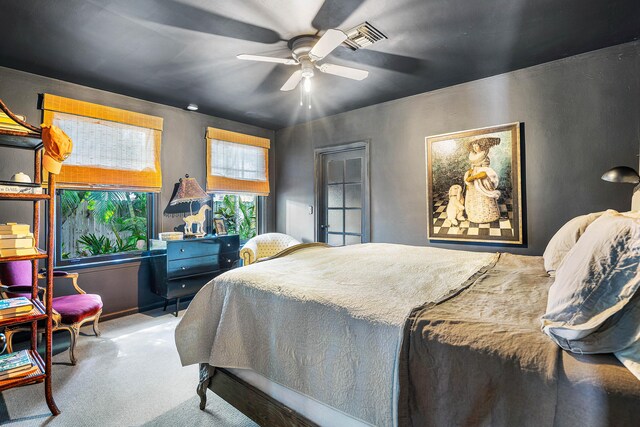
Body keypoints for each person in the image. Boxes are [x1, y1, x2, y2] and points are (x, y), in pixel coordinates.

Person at [463, 137, 501, 223]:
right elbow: (472, 168)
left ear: (482, 146)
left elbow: (484, 172)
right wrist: (469, 175)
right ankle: (474, 215)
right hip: (473, 176)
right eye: (474, 146)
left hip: (481, 178)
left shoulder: (485, 158)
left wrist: (473, 177)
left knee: (483, 195)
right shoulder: (473, 157)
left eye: (477, 146)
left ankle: (488, 216)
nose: (475, 148)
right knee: (473, 196)